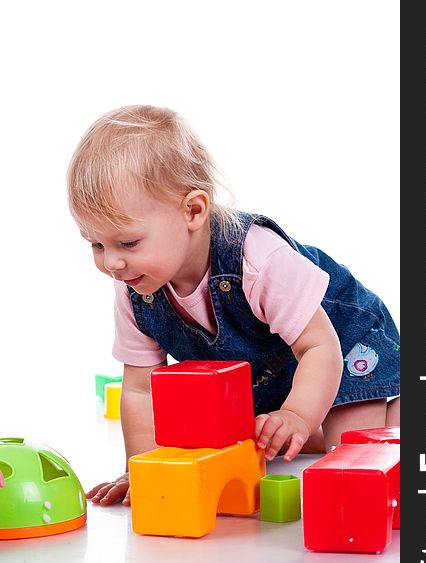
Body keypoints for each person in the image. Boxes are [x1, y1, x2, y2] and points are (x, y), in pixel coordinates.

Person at [67, 105, 400, 506]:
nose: (111, 263)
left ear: (192, 210)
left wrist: (296, 414)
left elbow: (319, 346)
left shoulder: (258, 259)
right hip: (274, 373)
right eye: (96, 244)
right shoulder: (136, 286)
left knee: (354, 458)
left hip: (343, 346)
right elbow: (141, 390)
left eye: (128, 243)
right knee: (276, 433)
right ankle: (312, 420)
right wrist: (141, 468)